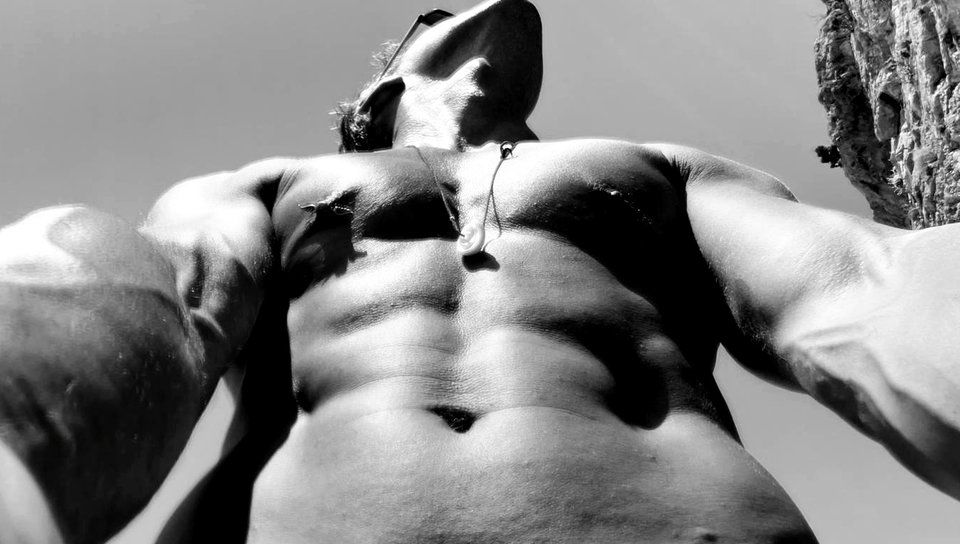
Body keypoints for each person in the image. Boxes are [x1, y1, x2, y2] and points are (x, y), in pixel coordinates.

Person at [1, 0, 959, 542]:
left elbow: (853, 285)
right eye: (435, 10)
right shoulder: (276, 183)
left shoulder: (660, 169)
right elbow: (171, 294)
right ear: (379, 91)